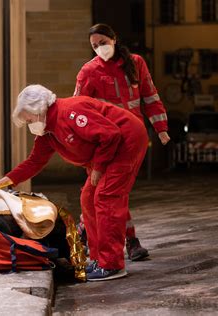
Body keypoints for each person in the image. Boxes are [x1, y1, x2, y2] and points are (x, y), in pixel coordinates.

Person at [0, 84, 149, 281]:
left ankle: (111, 264)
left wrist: (99, 167)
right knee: (88, 198)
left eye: (29, 119)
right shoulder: (48, 131)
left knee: (106, 197)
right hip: (111, 148)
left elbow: (110, 135)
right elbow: (34, 161)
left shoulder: (69, 112)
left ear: (38, 110)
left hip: (126, 141)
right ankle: (98, 259)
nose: (29, 124)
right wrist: (4, 181)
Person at [74, 23, 171, 261]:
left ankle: (84, 232)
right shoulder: (89, 71)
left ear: (114, 39)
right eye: (95, 46)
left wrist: (161, 128)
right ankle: (128, 240)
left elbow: (150, 96)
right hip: (104, 142)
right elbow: (78, 108)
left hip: (130, 140)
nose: (99, 48)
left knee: (110, 192)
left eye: (103, 43)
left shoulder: (136, 63)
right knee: (109, 193)